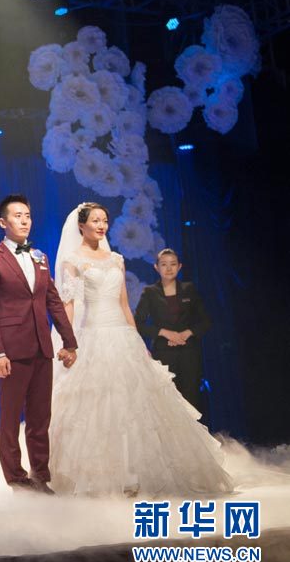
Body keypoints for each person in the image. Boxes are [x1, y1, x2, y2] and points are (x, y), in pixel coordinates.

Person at [48, 203, 232, 497]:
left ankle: (135, 475)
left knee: (136, 405)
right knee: (99, 407)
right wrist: (68, 342)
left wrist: (136, 340)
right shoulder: (73, 260)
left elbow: (123, 304)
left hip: (122, 336)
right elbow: (68, 306)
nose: (102, 225)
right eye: (95, 220)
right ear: (81, 225)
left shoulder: (116, 259)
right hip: (92, 335)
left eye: (105, 220)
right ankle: (103, 476)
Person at [0, 194, 78, 494]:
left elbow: (53, 301)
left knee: (40, 417)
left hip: (42, 347)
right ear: (2, 222)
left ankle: (40, 476)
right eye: (17, 216)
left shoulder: (39, 257)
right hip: (11, 349)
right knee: (10, 418)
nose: (24, 221)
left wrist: (69, 341)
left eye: (28, 216)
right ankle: (17, 480)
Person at [133, 248, 212, 418]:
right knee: (167, 403)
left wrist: (187, 333)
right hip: (163, 353)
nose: (169, 268)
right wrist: (164, 332)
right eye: (164, 264)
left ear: (180, 266)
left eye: (173, 264)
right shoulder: (150, 292)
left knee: (191, 401)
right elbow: (137, 324)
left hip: (189, 352)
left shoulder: (189, 289)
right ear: (156, 267)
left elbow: (205, 321)